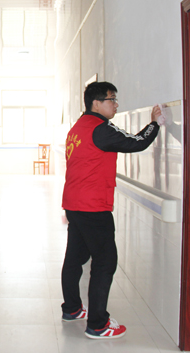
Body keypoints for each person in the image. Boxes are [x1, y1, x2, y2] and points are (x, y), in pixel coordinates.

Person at [60, 81, 161, 339]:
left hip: (74, 204)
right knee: (105, 262)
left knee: (75, 258)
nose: (116, 104)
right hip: (93, 207)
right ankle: (98, 324)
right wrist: (155, 124)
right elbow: (136, 142)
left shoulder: (77, 128)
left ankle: (72, 309)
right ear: (96, 103)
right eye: (111, 99)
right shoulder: (100, 128)